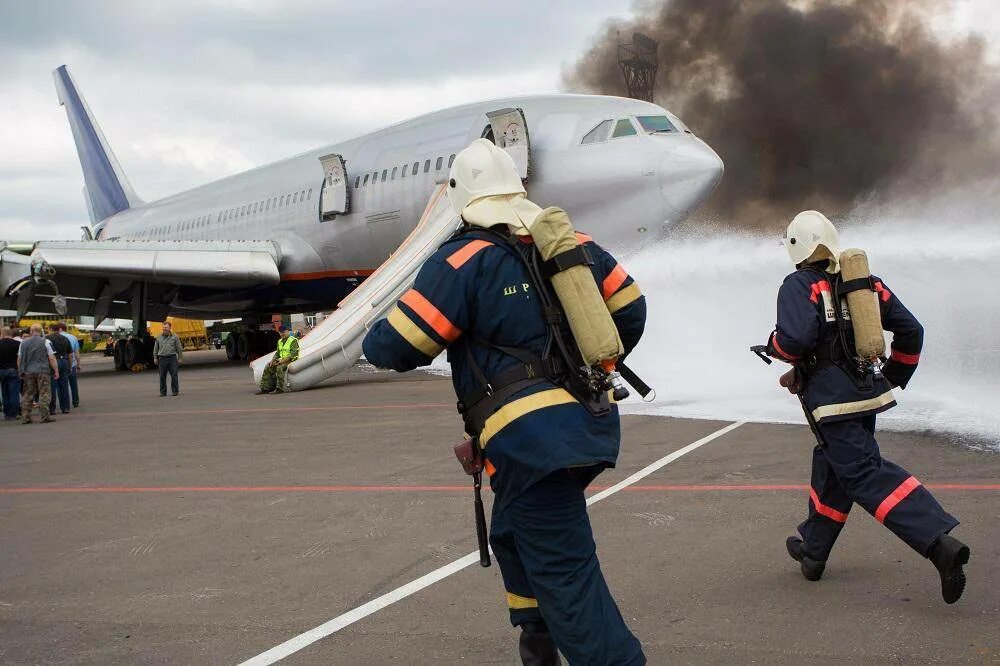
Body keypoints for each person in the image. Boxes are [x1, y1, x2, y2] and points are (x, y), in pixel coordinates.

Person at [363, 139, 647, 665]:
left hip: (532, 443)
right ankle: (537, 646)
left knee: (568, 575)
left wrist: (366, 333)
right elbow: (630, 310)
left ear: (463, 200)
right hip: (589, 422)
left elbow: (400, 345)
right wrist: (580, 372)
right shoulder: (573, 243)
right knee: (513, 532)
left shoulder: (464, 258)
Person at [764, 210, 970, 604]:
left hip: (831, 404)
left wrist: (774, 347)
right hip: (866, 396)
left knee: (862, 473)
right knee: (835, 467)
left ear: (796, 247)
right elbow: (911, 330)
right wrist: (893, 375)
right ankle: (813, 551)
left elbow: (793, 340)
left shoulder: (799, 284)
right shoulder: (867, 283)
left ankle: (938, 543)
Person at [17, 324, 58, 424]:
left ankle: (25, 417)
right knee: (44, 393)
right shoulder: (46, 342)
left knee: (28, 394)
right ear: (41, 331)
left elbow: (19, 358)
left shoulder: (23, 343)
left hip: (28, 372)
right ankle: (44, 416)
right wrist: (56, 370)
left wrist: (21, 371)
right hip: (43, 371)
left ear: (31, 331)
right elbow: (51, 358)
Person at [258, 325, 299, 393]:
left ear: (288, 331)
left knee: (279, 368)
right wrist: (272, 361)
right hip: (282, 360)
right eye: (281, 332)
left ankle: (280, 388)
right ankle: (265, 388)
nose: (282, 334)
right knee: (268, 366)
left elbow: (293, 354)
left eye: (284, 332)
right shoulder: (279, 341)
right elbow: (277, 353)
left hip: (291, 360)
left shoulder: (293, 340)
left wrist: (281, 361)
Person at [46, 323, 73, 414]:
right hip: (64, 361)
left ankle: (52, 409)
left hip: (54, 362)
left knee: (52, 387)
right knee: (64, 386)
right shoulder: (65, 339)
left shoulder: (47, 338)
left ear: (50, 329)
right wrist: (69, 366)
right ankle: (65, 407)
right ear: (59, 330)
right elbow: (70, 354)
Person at [153, 321, 183, 396]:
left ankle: (175, 391)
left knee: (174, 375)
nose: (164, 329)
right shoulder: (159, 337)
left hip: (172, 358)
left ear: (170, 328)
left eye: (166, 327)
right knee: (162, 376)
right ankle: (163, 392)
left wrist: (180, 358)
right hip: (162, 359)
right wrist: (155, 358)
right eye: (163, 327)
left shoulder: (175, 337)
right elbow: (155, 349)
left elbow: (179, 348)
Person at [58, 322, 81, 408]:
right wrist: (79, 364)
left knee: (61, 385)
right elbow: (76, 352)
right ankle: (75, 401)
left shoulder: (57, 338)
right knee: (73, 384)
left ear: (60, 329)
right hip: (73, 364)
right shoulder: (73, 337)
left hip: (61, 363)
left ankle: (63, 403)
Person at [0, 327, 22, 420]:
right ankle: (14, 413)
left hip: (1, 371)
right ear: (11, 334)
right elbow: (20, 358)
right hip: (13, 370)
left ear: (2, 334)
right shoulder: (18, 344)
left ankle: (7, 413)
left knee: (5, 392)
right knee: (14, 393)